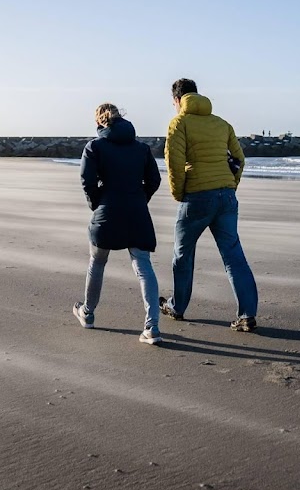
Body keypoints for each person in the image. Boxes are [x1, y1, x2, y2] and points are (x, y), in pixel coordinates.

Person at [160, 78, 258, 332]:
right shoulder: (221, 123)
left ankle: (177, 307)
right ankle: (247, 315)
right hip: (226, 197)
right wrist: (230, 184)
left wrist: (179, 193)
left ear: (178, 100)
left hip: (197, 197)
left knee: (183, 255)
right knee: (233, 256)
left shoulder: (179, 123)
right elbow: (239, 158)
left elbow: (174, 163)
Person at [73, 103, 163, 345]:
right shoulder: (141, 148)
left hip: (107, 213)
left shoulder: (94, 147)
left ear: (99, 122)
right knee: (143, 267)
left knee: (97, 262)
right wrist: (139, 198)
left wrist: (98, 204)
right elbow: (154, 180)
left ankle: (88, 313)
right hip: (137, 212)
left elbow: (87, 181)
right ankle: (152, 326)